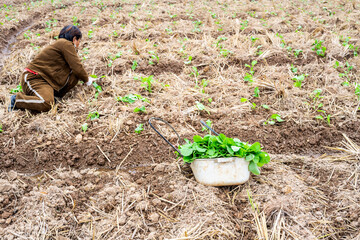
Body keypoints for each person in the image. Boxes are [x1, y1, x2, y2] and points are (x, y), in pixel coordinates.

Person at [8, 25, 95, 112]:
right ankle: (16, 100)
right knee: (47, 103)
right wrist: (88, 80)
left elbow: (76, 70)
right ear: (74, 39)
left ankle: (54, 97)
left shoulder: (63, 45)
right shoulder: (65, 44)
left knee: (74, 76)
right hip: (34, 78)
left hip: (47, 81)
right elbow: (77, 67)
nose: (78, 45)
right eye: (79, 41)